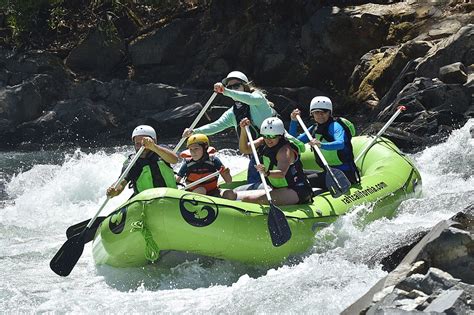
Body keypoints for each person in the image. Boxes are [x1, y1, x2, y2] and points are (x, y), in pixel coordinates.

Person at [182, 71, 275, 188]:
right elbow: (216, 125)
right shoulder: (233, 113)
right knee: (253, 183)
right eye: (230, 87)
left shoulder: (258, 99)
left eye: (236, 86)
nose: (233, 89)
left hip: (275, 149)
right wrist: (194, 131)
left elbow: (249, 98)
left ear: (245, 87)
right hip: (256, 153)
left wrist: (226, 91)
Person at [226, 117, 312, 205]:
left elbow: (281, 173)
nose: (268, 139)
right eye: (265, 136)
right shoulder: (263, 141)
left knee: (250, 200)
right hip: (276, 188)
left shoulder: (285, 151)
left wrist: (266, 173)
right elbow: (244, 149)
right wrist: (243, 130)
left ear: (280, 135)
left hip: (295, 189)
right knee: (233, 195)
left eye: (272, 136)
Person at [289, 96, 360, 190]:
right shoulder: (314, 129)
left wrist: (321, 145)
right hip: (328, 172)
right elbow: (294, 141)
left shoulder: (335, 126)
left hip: (345, 174)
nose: (320, 115)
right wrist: (293, 121)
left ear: (329, 113)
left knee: (301, 182)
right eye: (316, 112)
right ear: (312, 114)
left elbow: (340, 143)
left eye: (323, 112)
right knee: (294, 176)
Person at [107, 125, 178, 198]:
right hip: (146, 203)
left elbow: (174, 160)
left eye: (144, 143)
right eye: (137, 143)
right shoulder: (132, 163)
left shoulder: (161, 152)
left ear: (154, 141)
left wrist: (153, 147)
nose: (141, 146)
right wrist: (114, 191)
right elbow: (121, 183)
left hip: (171, 197)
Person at [176, 134, 233, 198]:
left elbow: (229, 182)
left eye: (196, 148)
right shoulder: (188, 163)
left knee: (230, 194)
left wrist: (227, 174)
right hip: (193, 193)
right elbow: (176, 181)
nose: (193, 152)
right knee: (201, 190)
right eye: (191, 149)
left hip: (213, 192)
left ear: (205, 147)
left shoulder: (214, 160)